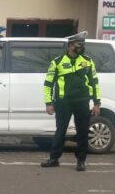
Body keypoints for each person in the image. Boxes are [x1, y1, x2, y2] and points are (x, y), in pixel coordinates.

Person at [41, 31, 101, 172]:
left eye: (82, 45)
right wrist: (48, 103)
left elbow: (94, 83)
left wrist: (97, 103)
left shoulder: (87, 61)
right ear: (69, 45)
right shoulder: (57, 62)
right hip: (63, 102)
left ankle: (81, 161)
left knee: (82, 132)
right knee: (60, 131)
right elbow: (48, 84)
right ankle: (54, 159)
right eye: (78, 44)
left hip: (82, 101)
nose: (81, 47)